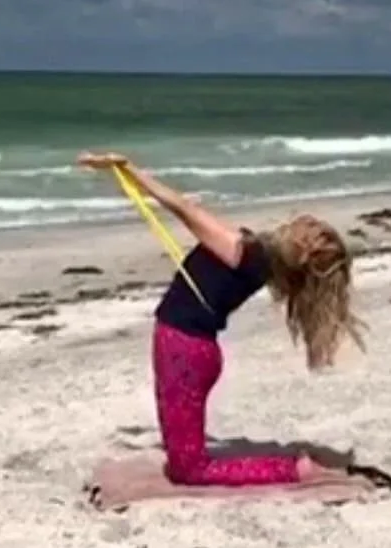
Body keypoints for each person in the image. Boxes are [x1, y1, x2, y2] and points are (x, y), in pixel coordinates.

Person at [78, 150, 367, 487]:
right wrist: (121, 170)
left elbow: (183, 208)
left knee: (189, 470)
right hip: (187, 349)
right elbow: (190, 209)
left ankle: (294, 470)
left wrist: (126, 168)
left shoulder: (239, 250)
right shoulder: (257, 258)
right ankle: (291, 467)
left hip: (182, 351)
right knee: (183, 455)